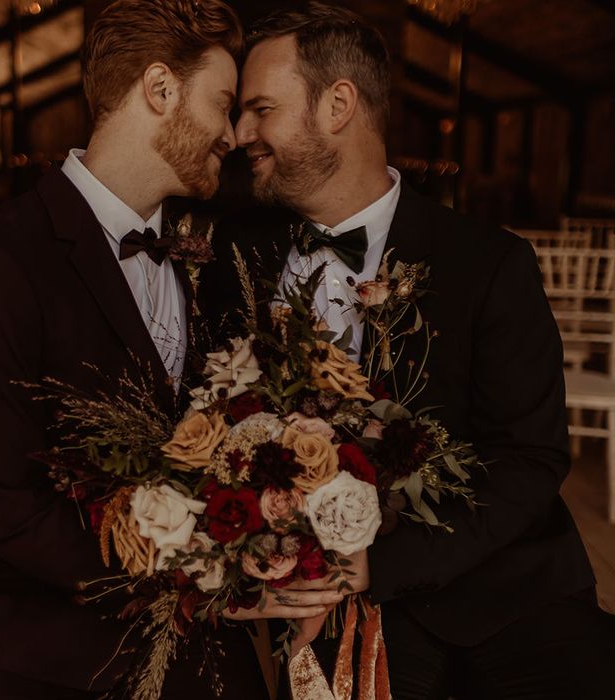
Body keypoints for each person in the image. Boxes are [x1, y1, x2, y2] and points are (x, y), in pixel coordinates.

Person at [203, 3, 615, 698]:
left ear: (339, 105)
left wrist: (382, 563)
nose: (239, 132)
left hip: (505, 587)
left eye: (259, 109)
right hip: (327, 605)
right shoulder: (233, 255)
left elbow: (532, 456)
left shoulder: (488, 263)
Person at [0, 2, 290, 698]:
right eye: (224, 103)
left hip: (184, 626)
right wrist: (201, 572)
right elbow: (8, 511)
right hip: (31, 639)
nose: (237, 135)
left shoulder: (204, 256)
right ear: (159, 89)